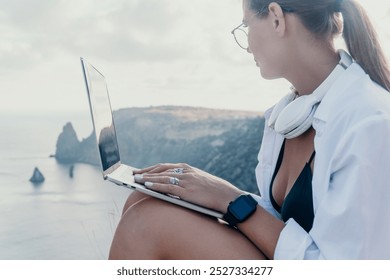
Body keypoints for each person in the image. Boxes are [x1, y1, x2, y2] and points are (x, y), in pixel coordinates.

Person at [109, 0, 390, 259]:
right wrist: (209, 190)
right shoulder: (291, 114)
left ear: (277, 19)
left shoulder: (369, 123)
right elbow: (280, 222)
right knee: (143, 197)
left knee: (145, 224)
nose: (246, 46)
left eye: (245, 25)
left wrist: (232, 200)